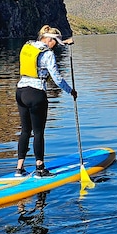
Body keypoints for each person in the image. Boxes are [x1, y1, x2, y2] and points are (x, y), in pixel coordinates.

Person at [15, 24, 76, 177]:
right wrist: (71, 91)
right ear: (48, 39)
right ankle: (40, 168)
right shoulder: (47, 54)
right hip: (36, 94)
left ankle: (19, 168)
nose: (55, 46)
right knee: (38, 132)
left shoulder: (28, 46)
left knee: (25, 131)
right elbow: (57, 78)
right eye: (55, 42)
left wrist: (65, 42)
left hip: (20, 91)